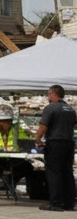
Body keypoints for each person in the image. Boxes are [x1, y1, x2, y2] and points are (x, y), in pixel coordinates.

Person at [34, 84, 75, 212]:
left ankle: (56, 202)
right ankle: (69, 202)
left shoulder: (51, 108)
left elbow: (43, 126)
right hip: (69, 143)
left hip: (55, 143)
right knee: (67, 172)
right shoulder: (70, 109)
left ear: (52, 94)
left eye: (49, 94)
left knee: (54, 172)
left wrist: (37, 139)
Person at [0, 105, 31, 199]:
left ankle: (9, 182)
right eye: (3, 121)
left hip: (12, 159)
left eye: (7, 120)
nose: (5, 123)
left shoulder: (16, 129)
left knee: (27, 166)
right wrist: (0, 144)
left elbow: (24, 141)